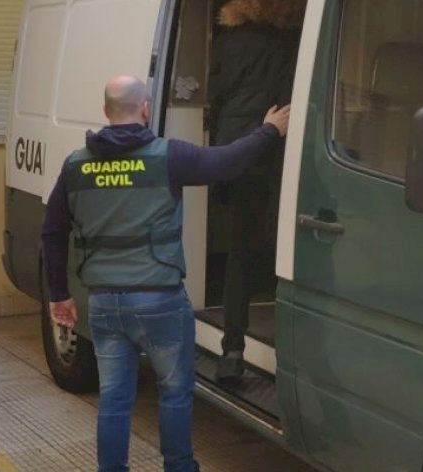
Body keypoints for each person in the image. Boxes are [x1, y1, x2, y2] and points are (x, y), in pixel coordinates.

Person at [41, 75, 290, 472]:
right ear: (145, 109)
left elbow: (53, 233)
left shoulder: (75, 165)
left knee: (114, 399)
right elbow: (227, 162)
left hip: (104, 302)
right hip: (160, 301)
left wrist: (59, 294)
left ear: (105, 112)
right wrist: (269, 130)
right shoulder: (168, 156)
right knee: (174, 392)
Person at [208, 0, 306, 384]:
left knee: (240, 254)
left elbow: (216, 95)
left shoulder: (228, 40)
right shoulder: (293, 43)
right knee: (288, 254)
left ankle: (232, 352)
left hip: (236, 155)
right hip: (278, 155)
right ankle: (290, 356)